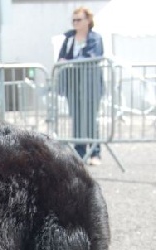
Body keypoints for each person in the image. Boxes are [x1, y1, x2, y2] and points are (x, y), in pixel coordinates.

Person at [57, 6, 104, 165]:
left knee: (90, 118)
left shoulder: (95, 38)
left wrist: (69, 62)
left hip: (90, 84)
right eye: (73, 20)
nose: (75, 23)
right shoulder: (69, 39)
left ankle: (95, 152)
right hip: (73, 83)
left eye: (79, 19)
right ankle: (79, 151)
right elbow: (62, 57)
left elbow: (92, 57)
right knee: (76, 117)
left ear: (88, 20)